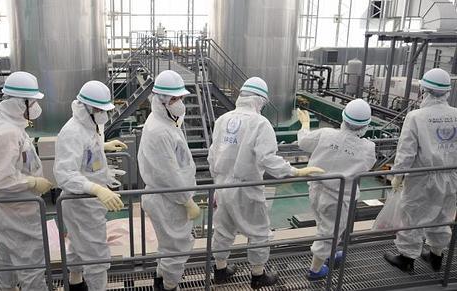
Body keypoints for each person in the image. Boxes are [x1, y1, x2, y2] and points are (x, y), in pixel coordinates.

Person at [207, 77, 325, 289]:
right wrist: (294, 171)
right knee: (259, 232)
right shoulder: (261, 124)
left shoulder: (223, 119)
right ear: (260, 100)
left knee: (223, 229)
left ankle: (220, 271)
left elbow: (212, 155)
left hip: (222, 185)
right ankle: (258, 276)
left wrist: (217, 183)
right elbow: (267, 159)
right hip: (247, 188)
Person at [0, 71, 54, 291]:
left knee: (6, 257)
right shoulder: (7, 133)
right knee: (32, 264)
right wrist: (32, 183)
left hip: (11, 210)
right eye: (32, 102)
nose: (35, 106)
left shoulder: (11, 128)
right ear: (21, 103)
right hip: (16, 212)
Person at [54, 80, 126, 291]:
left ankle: (75, 283)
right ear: (85, 107)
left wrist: (103, 147)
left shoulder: (89, 126)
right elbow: (65, 174)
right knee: (96, 256)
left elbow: (84, 155)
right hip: (81, 202)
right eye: (99, 109)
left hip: (87, 202)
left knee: (78, 245)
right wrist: (96, 189)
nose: (103, 113)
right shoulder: (73, 131)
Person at [384, 68, 457, 272]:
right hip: (451, 175)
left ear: (424, 89)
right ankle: (436, 256)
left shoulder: (416, 117)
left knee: (412, 217)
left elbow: (406, 153)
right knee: (443, 215)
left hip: (422, 177)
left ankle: (406, 259)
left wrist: (397, 176)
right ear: (447, 92)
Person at [296, 99, 376, 280]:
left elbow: (303, 142)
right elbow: (366, 166)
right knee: (329, 232)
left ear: (343, 118)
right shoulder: (367, 148)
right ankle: (315, 270)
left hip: (316, 191)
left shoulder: (325, 134)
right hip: (339, 199)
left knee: (323, 224)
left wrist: (305, 125)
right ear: (365, 125)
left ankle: (329, 254)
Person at [138, 70, 201, 291]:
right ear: (162, 101)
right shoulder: (159, 131)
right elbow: (168, 174)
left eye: (181, 98)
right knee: (178, 247)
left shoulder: (164, 120)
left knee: (168, 246)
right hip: (169, 199)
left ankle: (160, 281)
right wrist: (186, 200)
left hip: (169, 196)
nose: (180, 103)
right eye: (175, 99)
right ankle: (170, 286)